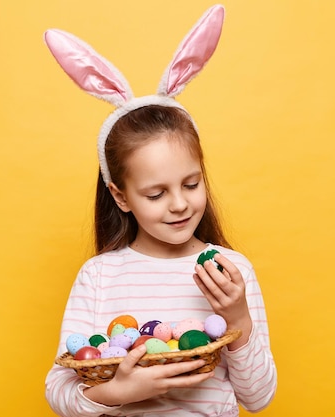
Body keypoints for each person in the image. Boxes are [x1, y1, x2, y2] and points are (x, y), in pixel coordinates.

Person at [43, 5, 276, 416]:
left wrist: (237, 316)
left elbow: (257, 399)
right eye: (156, 194)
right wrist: (118, 392)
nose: (180, 204)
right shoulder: (99, 277)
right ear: (120, 197)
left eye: (191, 184)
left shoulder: (230, 271)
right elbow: (59, 390)